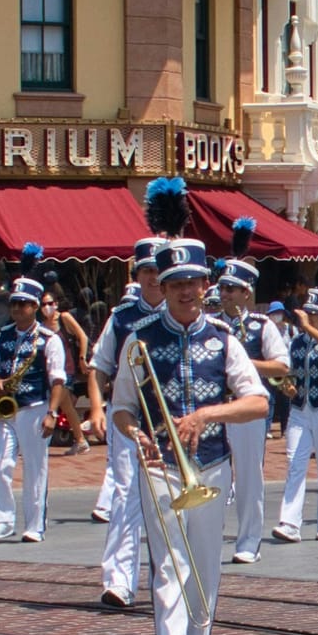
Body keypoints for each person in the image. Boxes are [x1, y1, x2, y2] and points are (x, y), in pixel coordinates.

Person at [112, 238, 267, 635]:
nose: (185, 291)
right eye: (174, 283)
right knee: (169, 567)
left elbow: (258, 402)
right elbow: (121, 406)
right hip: (160, 466)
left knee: (205, 569)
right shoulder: (138, 338)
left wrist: (207, 415)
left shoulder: (224, 338)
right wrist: (133, 432)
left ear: (206, 285)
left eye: (193, 282)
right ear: (162, 285)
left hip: (211, 465)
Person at [89, 179, 184, 608]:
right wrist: (95, 408)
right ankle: (119, 581)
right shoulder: (122, 317)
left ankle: (171, 577)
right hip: (129, 418)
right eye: (145, 272)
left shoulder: (181, 315)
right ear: (138, 275)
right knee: (126, 496)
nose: (151, 279)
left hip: (170, 420)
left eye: (156, 272)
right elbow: (99, 366)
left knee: (169, 500)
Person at [209, 221, 287, 564]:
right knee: (214, 475)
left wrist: (243, 365)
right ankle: (208, 538)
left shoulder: (262, 325)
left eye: (232, 289)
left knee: (249, 476)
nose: (225, 294)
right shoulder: (208, 324)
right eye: (223, 288)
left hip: (248, 408)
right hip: (215, 406)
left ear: (246, 293)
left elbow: (282, 367)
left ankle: (249, 541)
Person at [0, 245, 68, 544]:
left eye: (24, 305)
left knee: (35, 467)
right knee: (0, 463)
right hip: (8, 409)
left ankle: (34, 525)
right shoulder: (4, 334)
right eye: (14, 304)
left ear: (35, 307)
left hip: (35, 407)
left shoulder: (48, 339)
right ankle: (2, 520)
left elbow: (58, 379)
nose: (17, 309)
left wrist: (52, 413)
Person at [273, 262, 318, 543]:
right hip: (300, 410)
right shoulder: (296, 343)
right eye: (310, 313)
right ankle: (289, 522)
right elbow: (288, 373)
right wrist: (287, 385)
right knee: (295, 463)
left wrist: (307, 327)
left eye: (317, 315)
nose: (312, 318)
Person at [39, 289, 91, 455]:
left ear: (56, 304)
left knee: (53, 406)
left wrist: (82, 358)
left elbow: (82, 337)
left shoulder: (64, 318)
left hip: (66, 369)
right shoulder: (41, 325)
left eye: (50, 303)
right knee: (66, 406)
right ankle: (81, 440)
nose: (47, 307)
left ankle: (40, 441)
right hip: (50, 370)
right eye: (43, 304)